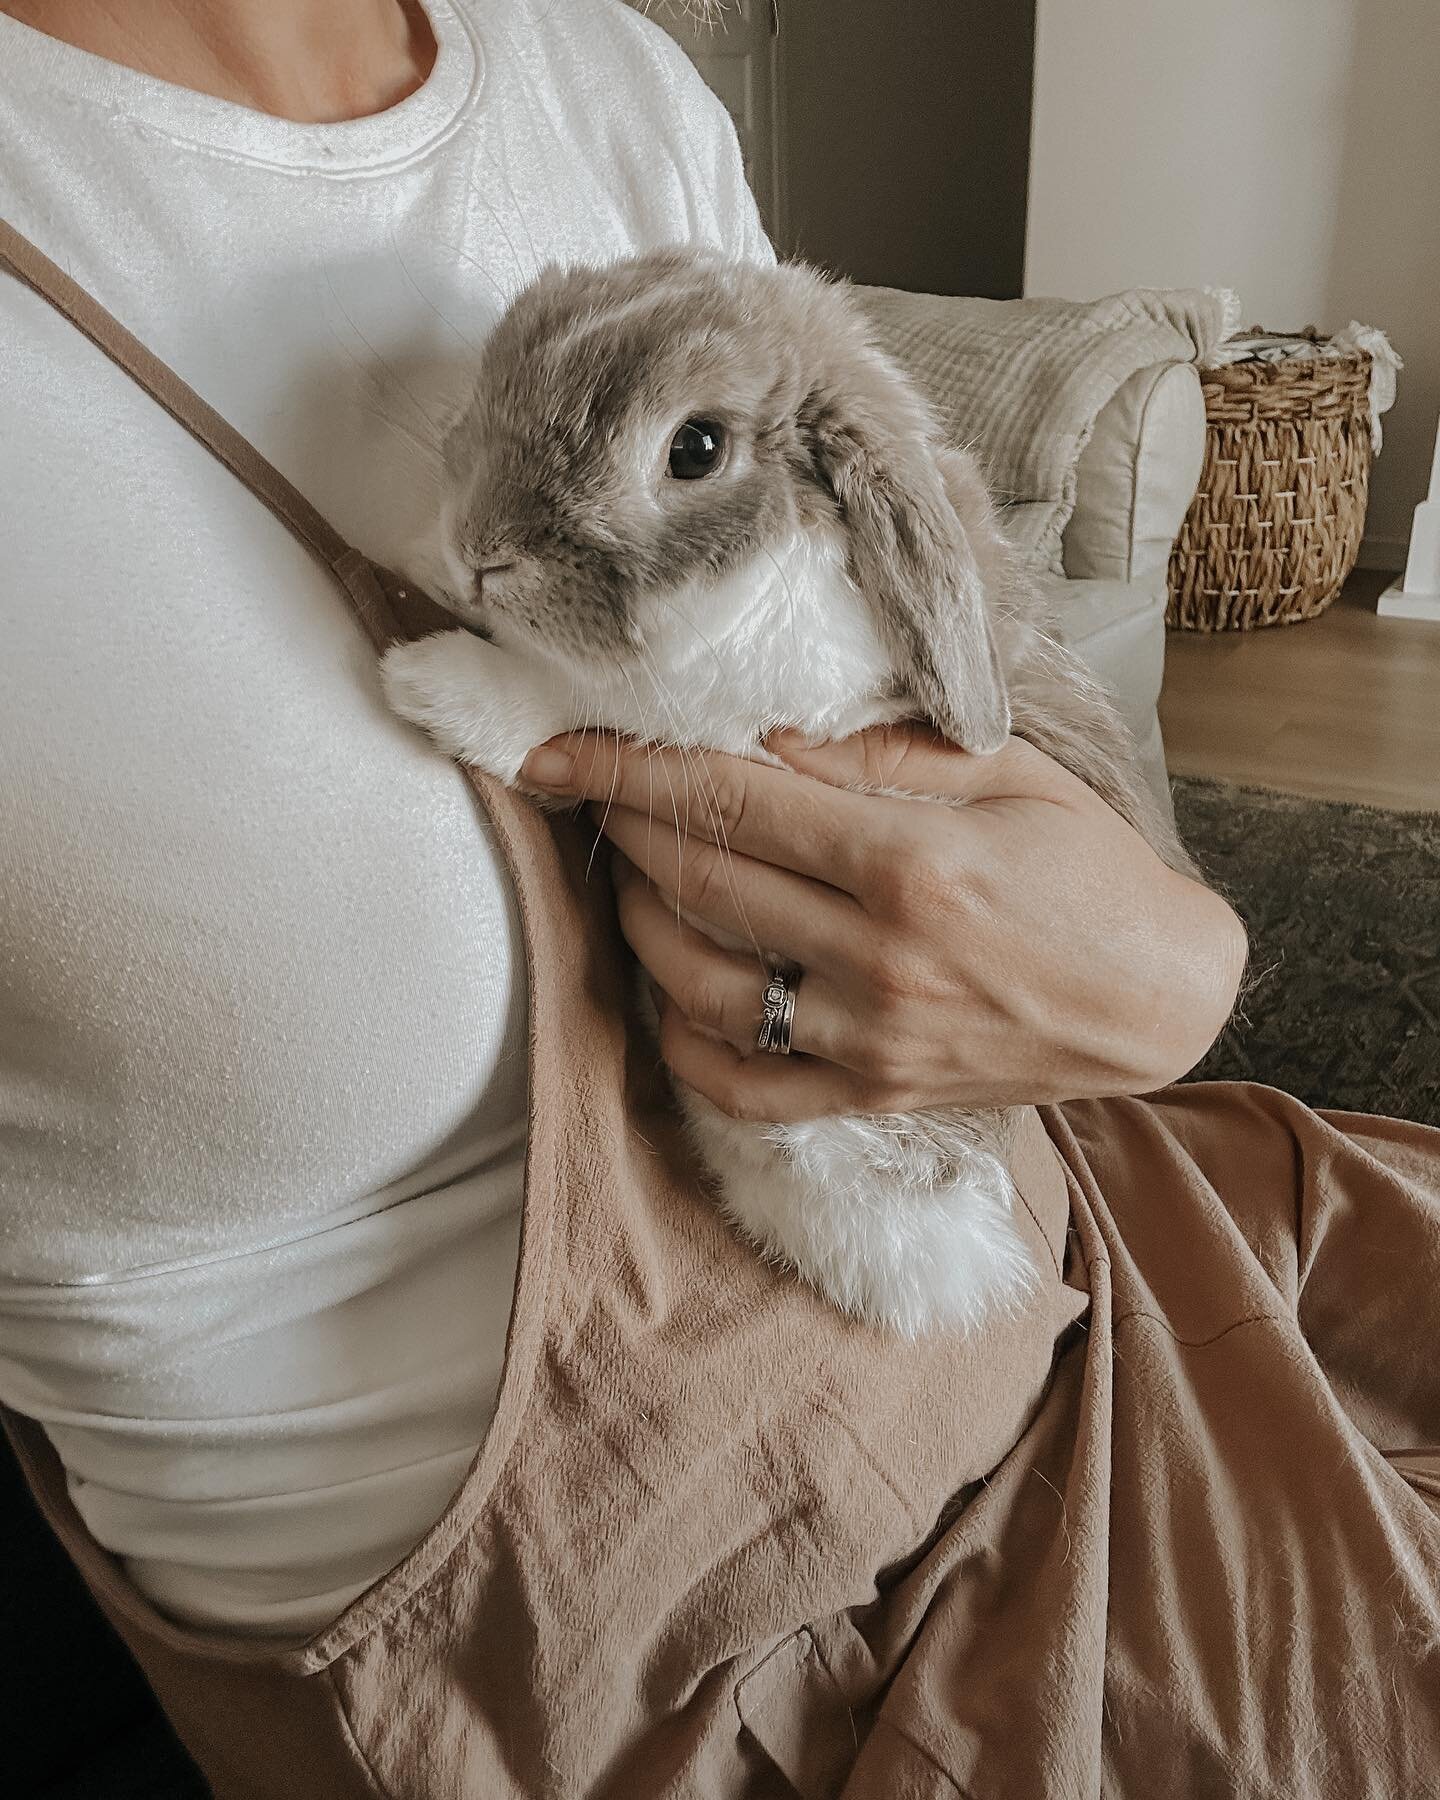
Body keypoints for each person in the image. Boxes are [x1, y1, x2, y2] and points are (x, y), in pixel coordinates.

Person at [0, 3, 1435, 1796]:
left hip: (1056, 1266)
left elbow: (909, 658)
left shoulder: (606, 81)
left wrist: (1167, 964)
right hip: (662, 1663)